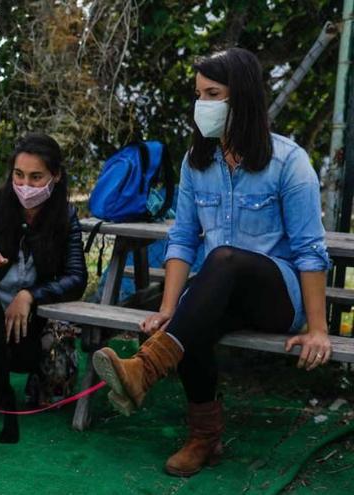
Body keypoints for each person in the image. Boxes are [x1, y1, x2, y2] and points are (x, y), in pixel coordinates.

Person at [91, 47, 333, 477]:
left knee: (221, 260)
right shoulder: (196, 162)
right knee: (192, 315)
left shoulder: (288, 162)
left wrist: (317, 328)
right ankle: (204, 437)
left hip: (277, 298)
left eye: (212, 93)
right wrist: (167, 310)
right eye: (198, 94)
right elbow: (182, 238)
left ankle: (145, 370)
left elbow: (310, 249)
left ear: (241, 98)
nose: (202, 104)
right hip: (219, 292)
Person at [0, 132, 87, 393]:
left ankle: (39, 379)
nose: (25, 184)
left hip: (32, 324)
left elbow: (77, 278)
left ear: (55, 176)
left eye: (36, 177)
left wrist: (29, 295)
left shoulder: (65, 218)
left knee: (54, 388)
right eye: (19, 174)